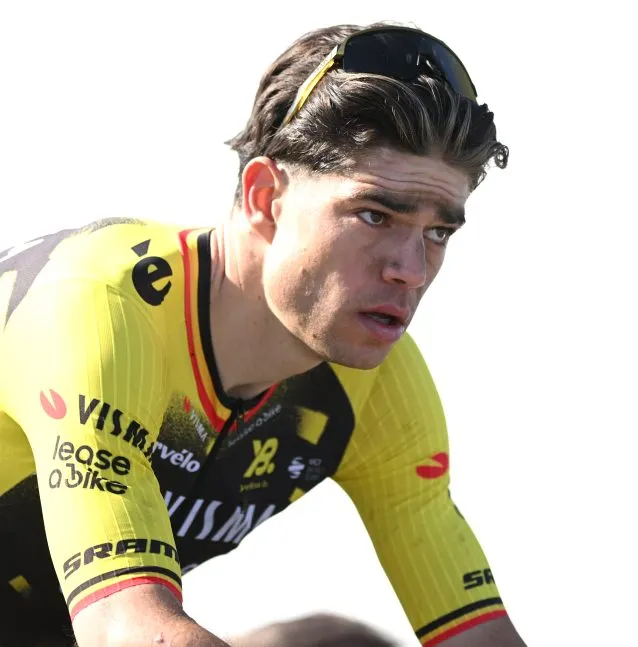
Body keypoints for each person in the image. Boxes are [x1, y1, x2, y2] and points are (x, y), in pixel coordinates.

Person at [0, 21, 525, 647]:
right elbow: (126, 630)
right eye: (374, 215)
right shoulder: (102, 309)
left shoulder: (379, 383)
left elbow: (479, 635)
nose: (411, 269)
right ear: (264, 197)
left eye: (438, 232)